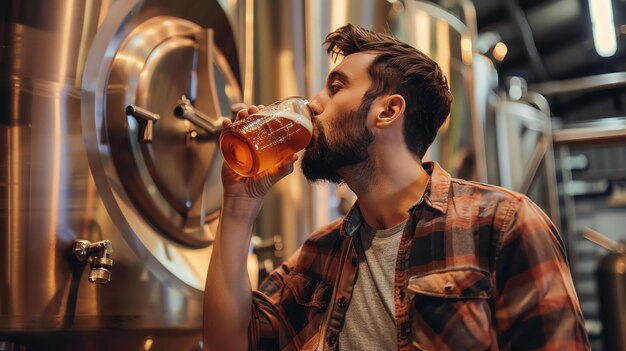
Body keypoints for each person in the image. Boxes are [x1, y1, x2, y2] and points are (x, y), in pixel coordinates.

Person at [203, 24, 590, 351]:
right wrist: (240, 203)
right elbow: (230, 342)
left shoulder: (502, 224)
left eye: (335, 88)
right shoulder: (320, 257)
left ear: (388, 111)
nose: (314, 105)